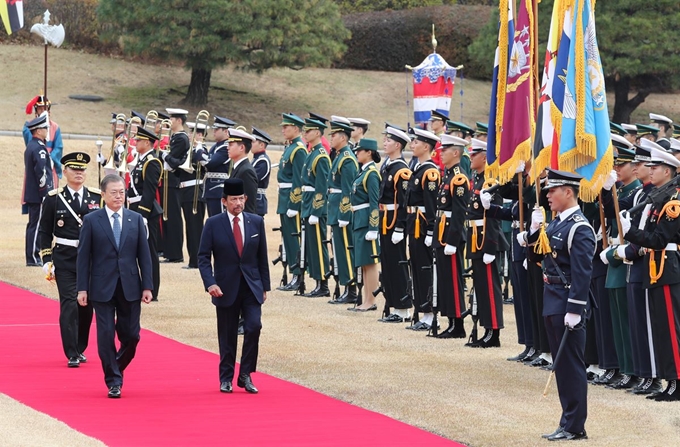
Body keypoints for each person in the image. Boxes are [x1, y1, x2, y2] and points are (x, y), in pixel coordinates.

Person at [523, 168, 595, 441]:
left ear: (568, 192)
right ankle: (567, 421)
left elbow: (582, 273)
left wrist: (575, 309)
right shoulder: (555, 224)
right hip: (551, 298)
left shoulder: (579, 227)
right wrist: (532, 231)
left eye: (553, 190)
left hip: (566, 302)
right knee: (561, 364)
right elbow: (537, 258)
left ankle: (575, 426)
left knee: (570, 366)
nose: (548, 195)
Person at [76, 174, 153, 398]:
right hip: (101, 287)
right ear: (103, 195)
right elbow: (83, 257)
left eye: (122, 192)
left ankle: (116, 365)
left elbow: (144, 256)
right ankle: (113, 381)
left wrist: (147, 286)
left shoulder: (136, 219)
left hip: (130, 285)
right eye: (114, 193)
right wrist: (82, 289)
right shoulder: (92, 220)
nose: (119, 197)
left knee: (132, 336)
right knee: (105, 334)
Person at [197, 178, 270, 394]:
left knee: (254, 326)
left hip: (251, 286)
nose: (238, 203)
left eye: (241, 198)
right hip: (225, 287)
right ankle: (226, 377)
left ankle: (245, 374)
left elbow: (261, 256)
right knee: (227, 334)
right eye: (233, 199)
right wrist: (210, 283)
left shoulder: (256, 222)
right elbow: (203, 257)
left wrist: (264, 286)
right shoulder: (213, 224)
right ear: (224, 201)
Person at [620, 144, 680, 402]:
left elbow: (658, 239)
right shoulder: (660, 197)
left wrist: (629, 232)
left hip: (668, 266)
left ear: (668, 171)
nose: (651, 171)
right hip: (657, 267)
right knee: (660, 328)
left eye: (655, 168)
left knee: (670, 326)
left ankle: (677, 381)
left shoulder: (673, 201)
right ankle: (669, 381)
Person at [39, 152, 100, 368]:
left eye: (82, 169)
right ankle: (71, 352)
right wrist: (47, 259)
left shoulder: (96, 197)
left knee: (86, 306)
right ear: (64, 171)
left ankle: (80, 346)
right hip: (65, 258)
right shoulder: (54, 198)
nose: (78, 173)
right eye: (74, 169)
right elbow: (44, 231)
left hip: (91, 260)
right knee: (69, 305)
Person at [465, 138, 506, 347]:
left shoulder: (490, 182)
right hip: (475, 238)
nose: (470, 157)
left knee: (490, 288)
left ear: (485, 157)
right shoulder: (478, 179)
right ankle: (486, 329)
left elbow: (494, 216)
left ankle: (493, 332)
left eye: (475, 154)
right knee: (481, 286)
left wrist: (490, 246)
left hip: (486, 240)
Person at [433, 135, 470, 338]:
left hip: (450, 235)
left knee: (454, 280)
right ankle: (450, 321)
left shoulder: (459, 178)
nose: (441, 153)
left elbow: (459, 212)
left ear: (455, 153)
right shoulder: (447, 175)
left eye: (445, 150)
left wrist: (453, 241)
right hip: (441, 231)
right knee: (445, 279)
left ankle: (458, 324)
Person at [404, 128, 441, 329]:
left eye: (415, 142)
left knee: (425, 268)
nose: (412, 145)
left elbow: (431, 205)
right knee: (416, 268)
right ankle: (421, 311)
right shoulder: (418, 169)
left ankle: (429, 314)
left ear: (426, 146)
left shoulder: (430, 172)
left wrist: (430, 230)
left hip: (423, 226)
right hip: (413, 223)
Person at [376, 125, 413, 322]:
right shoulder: (388, 165)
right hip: (385, 219)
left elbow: (403, 201)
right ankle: (393, 304)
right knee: (388, 264)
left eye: (388, 140)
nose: (385, 143)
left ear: (397, 145)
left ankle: (403, 307)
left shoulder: (401, 170)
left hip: (393, 221)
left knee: (397, 264)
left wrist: (400, 226)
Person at [127, 127, 163, 300]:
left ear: (147, 142)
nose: (135, 142)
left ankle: (153, 289)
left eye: (138, 140)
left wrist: (142, 215)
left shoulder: (152, 162)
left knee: (149, 251)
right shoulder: (141, 160)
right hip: (134, 208)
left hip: (145, 211)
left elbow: (149, 191)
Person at [327, 118, 359, 304]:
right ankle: (347, 286)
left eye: (334, 135)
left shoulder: (347, 158)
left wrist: (345, 214)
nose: (331, 138)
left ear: (343, 137)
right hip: (334, 207)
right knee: (339, 250)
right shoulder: (339, 155)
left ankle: (351, 288)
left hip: (342, 209)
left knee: (346, 250)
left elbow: (348, 189)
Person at [348, 139, 382, 312]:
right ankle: (367, 300)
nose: (357, 153)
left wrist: (373, 228)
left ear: (369, 152)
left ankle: (371, 300)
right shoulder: (363, 172)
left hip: (366, 221)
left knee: (370, 262)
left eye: (360, 150)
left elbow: (374, 203)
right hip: (359, 219)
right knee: (364, 262)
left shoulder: (371, 174)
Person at [300, 118, 332, 297]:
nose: (305, 133)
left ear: (318, 133)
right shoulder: (312, 153)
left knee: (319, 246)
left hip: (314, 206)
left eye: (309, 130)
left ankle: (323, 284)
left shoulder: (320, 155)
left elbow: (321, 186)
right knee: (312, 246)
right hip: (307, 202)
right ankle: (318, 281)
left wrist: (316, 210)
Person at [277, 113, 307, 292]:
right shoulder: (290, 147)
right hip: (284, 196)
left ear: (296, 128)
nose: (283, 129)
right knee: (288, 238)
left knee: (295, 238)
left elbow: (299, 180)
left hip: (291, 198)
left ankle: (298, 275)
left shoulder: (299, 149)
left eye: (286, 127)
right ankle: (293, 273)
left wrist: (294, 204)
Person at [23, 113, 54, 266]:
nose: (47, 130)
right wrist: (45, 193)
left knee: (33, 225)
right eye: (45, 128)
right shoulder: (39, 149)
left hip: (34, 193)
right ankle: (33, 257)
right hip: (39, 194)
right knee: (36, 226)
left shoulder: (32, 146)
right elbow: (42, 173)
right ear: (38, 130)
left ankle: (32, 256)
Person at [160, 108, 190, 263]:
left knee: (173, 218)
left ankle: (175, 253)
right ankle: (169, 251)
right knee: (168, 217)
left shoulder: (181, 138)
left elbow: (174, 160)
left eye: (172, 118)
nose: (169, 120)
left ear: (179, 120)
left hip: (174, 180)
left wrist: (163, 154)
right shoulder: (175, 137)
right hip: (168, 180)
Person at [201, 116, 236, 217]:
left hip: (218, 188)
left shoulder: (226, 147)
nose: (214, 131)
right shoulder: (215, 146)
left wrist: (199, 151)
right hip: (211, 188)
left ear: (226, 131)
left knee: (220, 221)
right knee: (213, 221)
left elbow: (210, 163)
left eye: (217, 129)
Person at [23, 94, 63, 180]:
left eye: (45, 108)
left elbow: (58, 147)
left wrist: (49, 158)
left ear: (49, 110)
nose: (43, 111)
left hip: (51, 164)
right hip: (35, 161)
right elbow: (30, 143)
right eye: (40, 109)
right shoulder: (29, 126)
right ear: (36, 111)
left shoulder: (55, 127)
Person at [226, 128, 258, 214]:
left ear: (242, 147)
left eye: (231, 144)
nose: (227, 147)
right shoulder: (238, 168)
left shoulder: (246, 171)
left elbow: (248, 205)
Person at [251, 127, 272, 217]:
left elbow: (252, 178)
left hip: (257, 201)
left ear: (261, 145)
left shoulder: (263, 160)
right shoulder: (256, 158)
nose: (250, 144)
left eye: (253, 142)